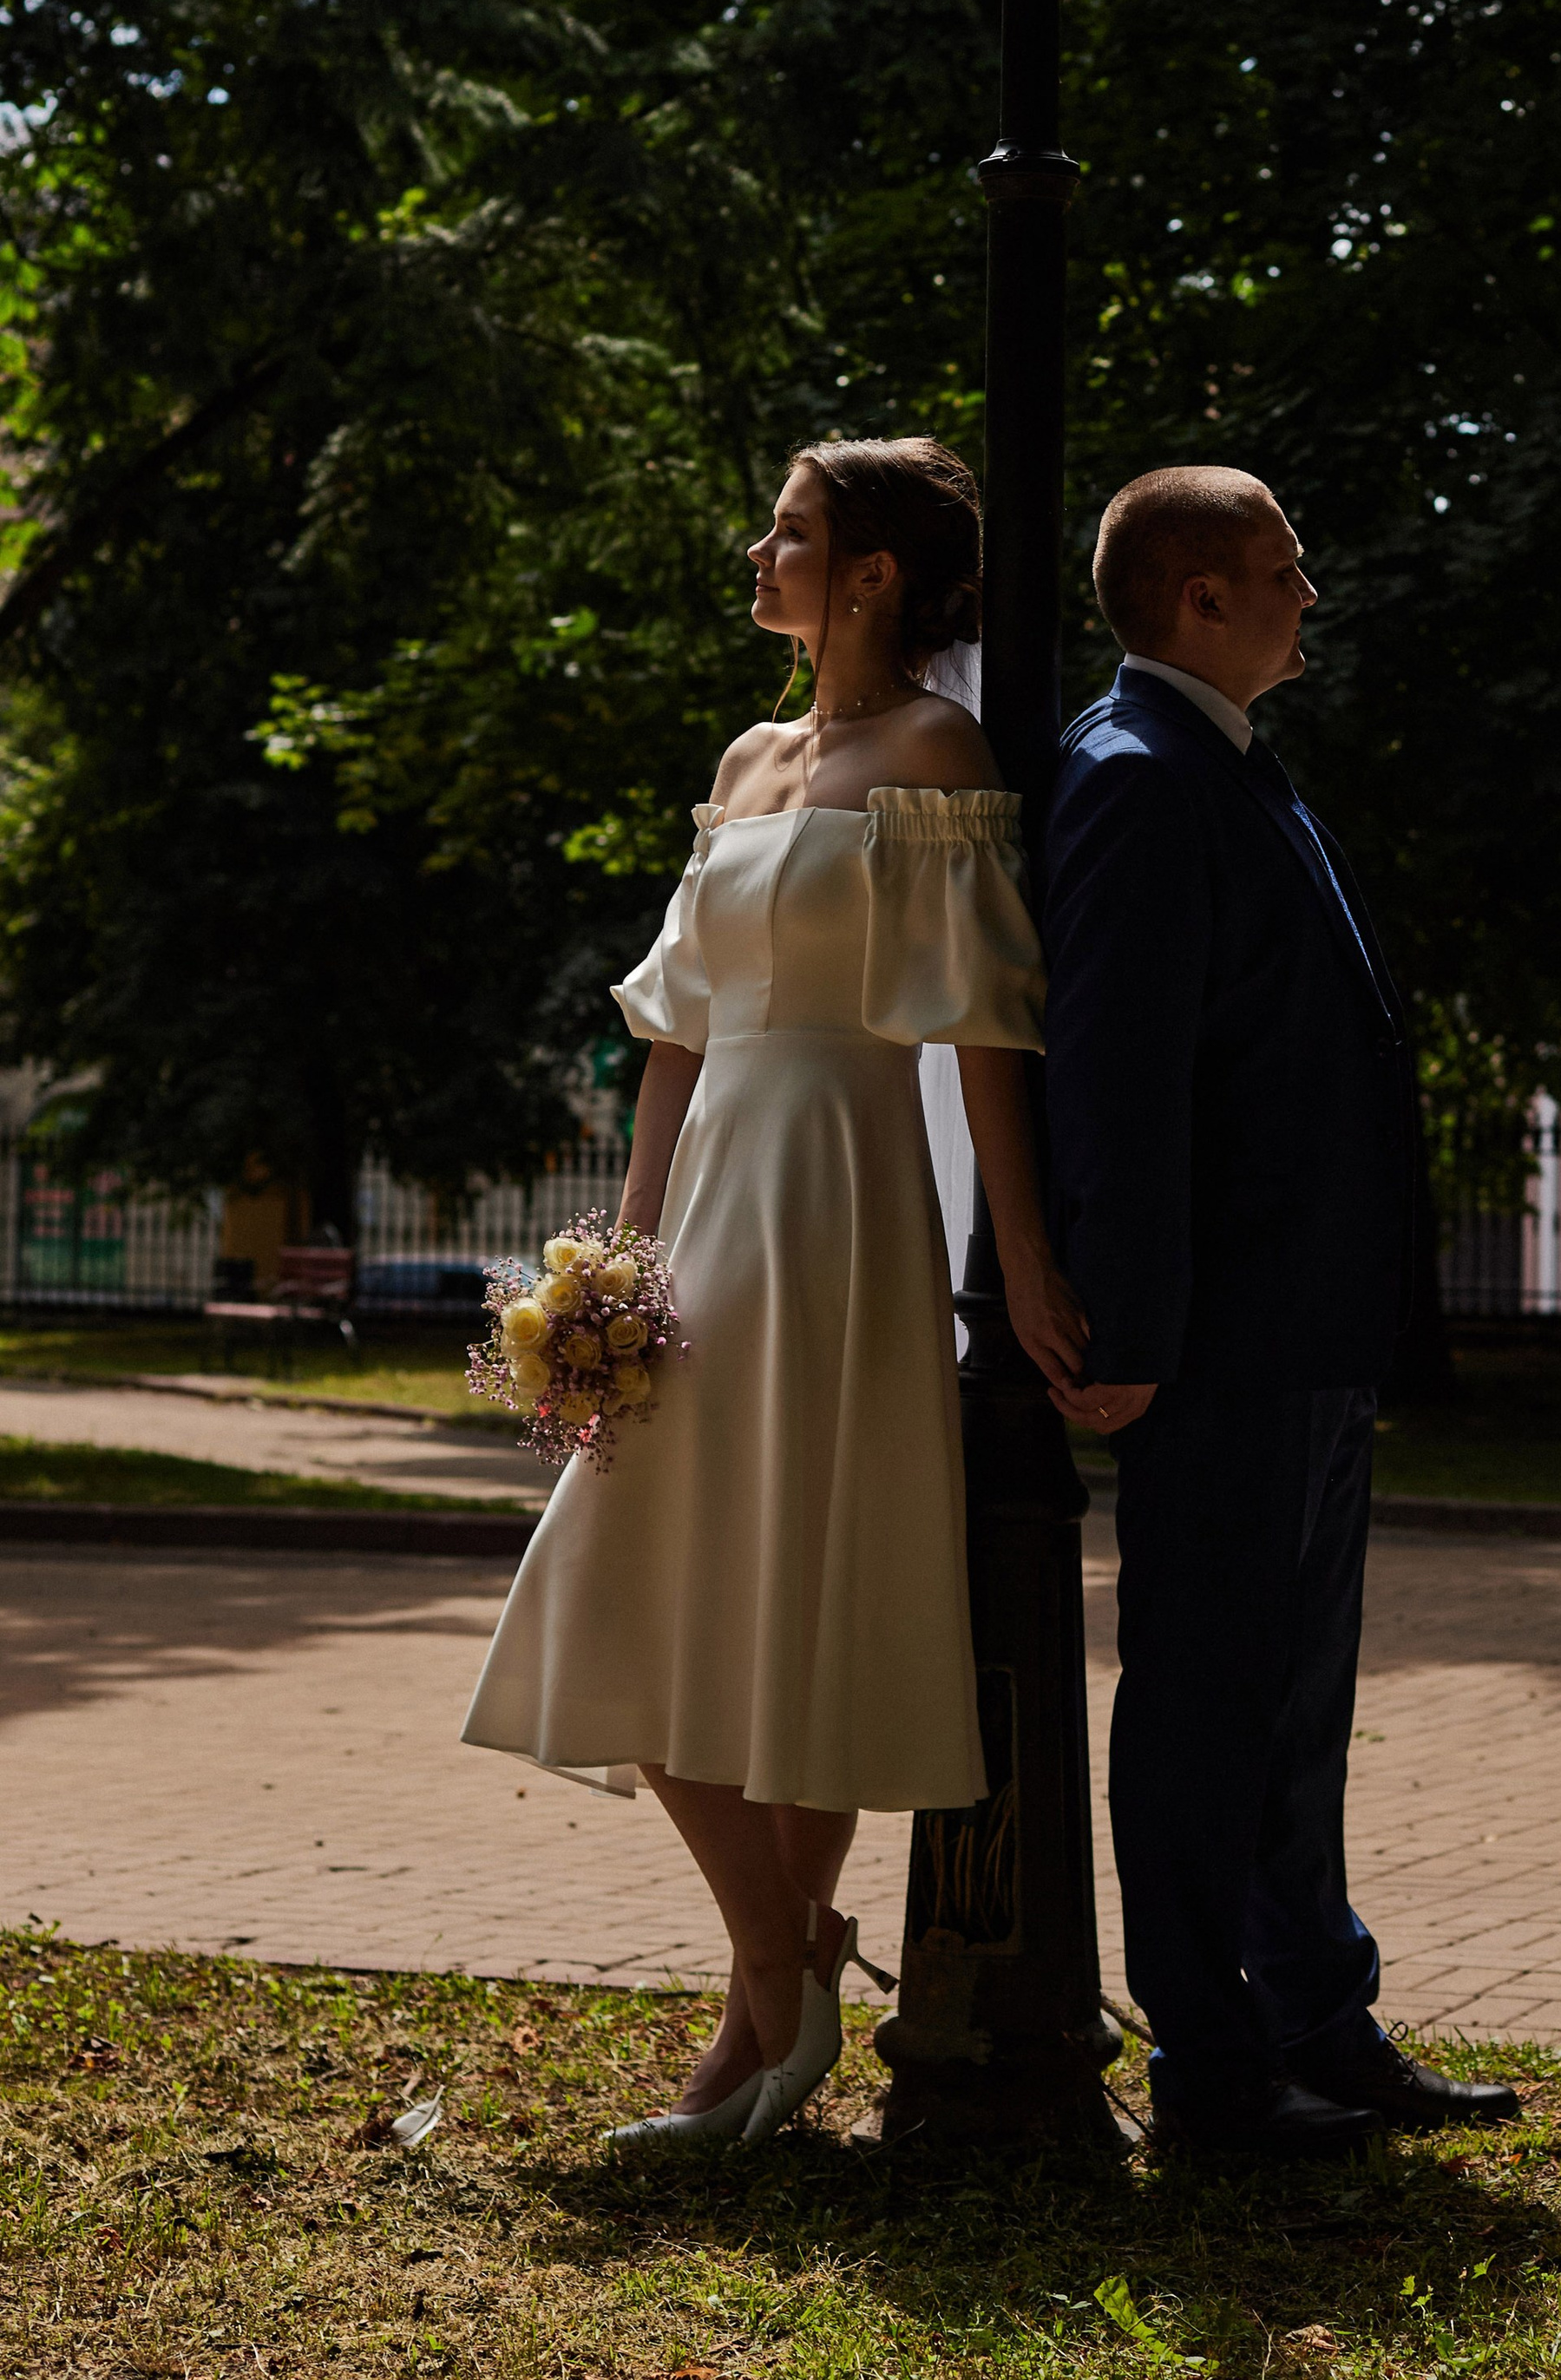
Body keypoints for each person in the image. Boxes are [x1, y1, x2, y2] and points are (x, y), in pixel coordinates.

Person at [462, 437, 1061, 2148]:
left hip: (843, 1199)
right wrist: (622, 1258)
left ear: (867, 574)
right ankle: (787, 1967)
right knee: (622, 1567)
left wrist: (1016, 1253)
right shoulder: (746, 756)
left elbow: (986, 1027)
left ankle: (755, 2037)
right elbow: (672, 1033)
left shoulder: (934, 755)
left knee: (804, 1585)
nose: (759, 548)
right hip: (713, 1190)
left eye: (788, 532)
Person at [1028, 466, 1520, 2162]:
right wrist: (1131, 1327)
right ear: (1196, 596)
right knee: (1201, 1703)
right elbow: (1116, 1079)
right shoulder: (1132, 778)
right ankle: (1212, 2072)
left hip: (1302, 1328)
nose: (1310, 592)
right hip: (1218, 1338)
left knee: (1295, 1702)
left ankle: (1318, 2021)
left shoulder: (1232, 766)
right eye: (1281, 569)